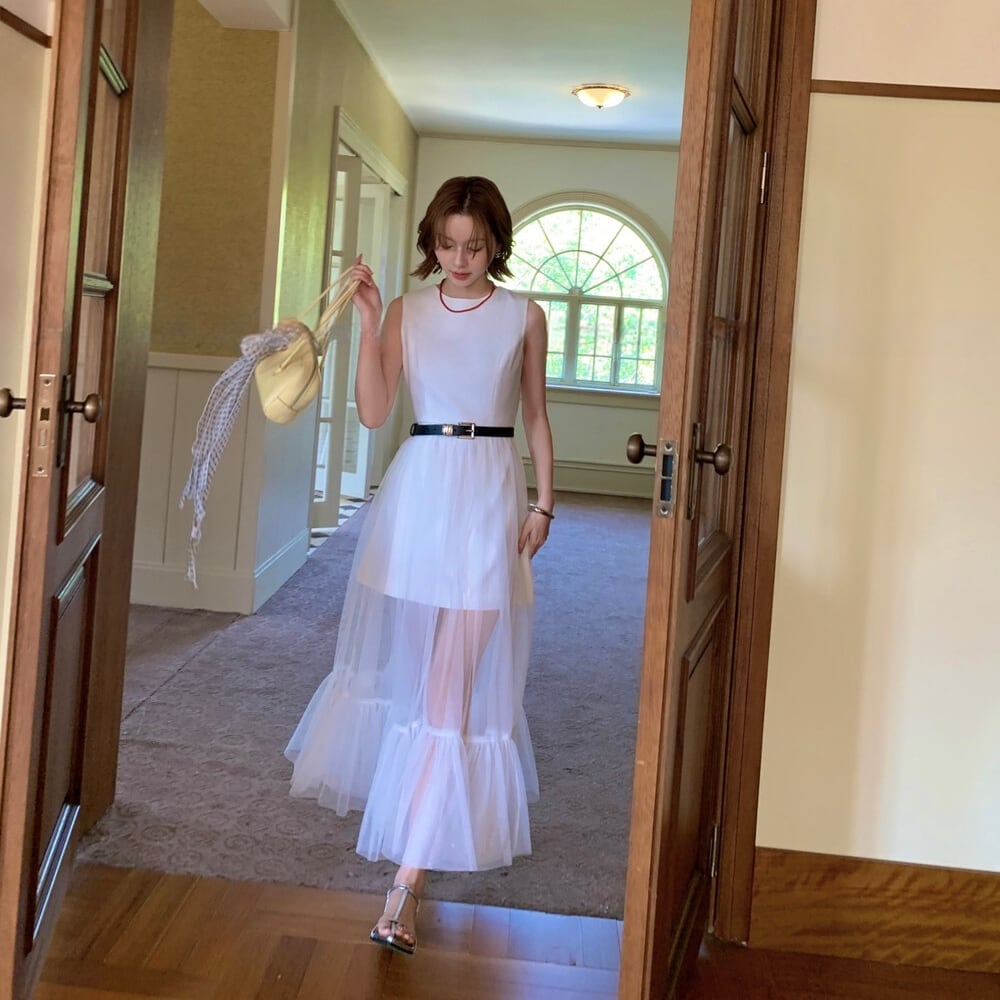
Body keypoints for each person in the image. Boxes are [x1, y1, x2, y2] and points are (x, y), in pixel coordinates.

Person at [284, 176, 554, 956]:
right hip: (419, 501)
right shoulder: (406, 310)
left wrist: (545, 504)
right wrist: (371, 325)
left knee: (450, 689)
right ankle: (415, 860)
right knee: (421, 686)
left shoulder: (524, 315)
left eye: (475, 246)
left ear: (496, 243)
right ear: (431, 242)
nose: (460, 259)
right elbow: (374, 412)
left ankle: (405, 879)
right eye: (447, 244)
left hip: (490, 500)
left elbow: (535, 414)